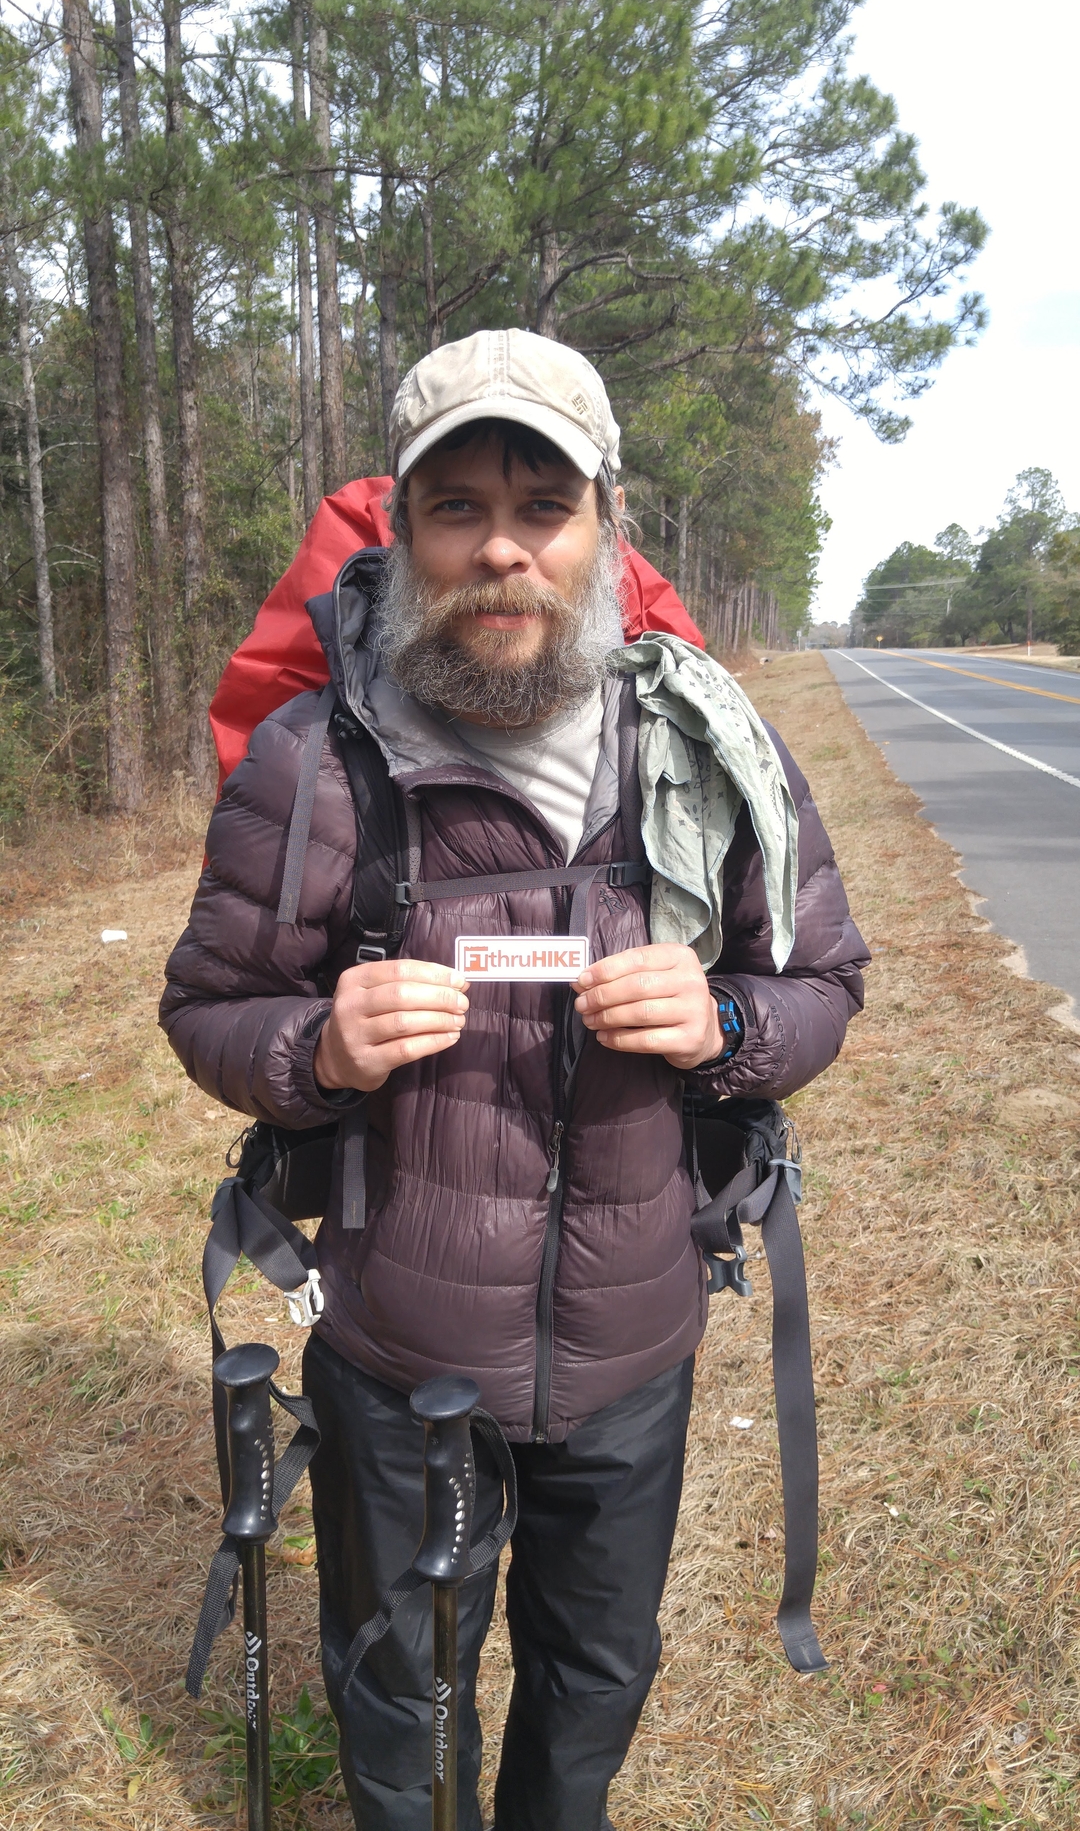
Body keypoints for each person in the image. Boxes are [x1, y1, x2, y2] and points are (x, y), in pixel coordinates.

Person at [161, 327, 868, 1831]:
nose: (503, 551)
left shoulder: (704, 744)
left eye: (542, 507)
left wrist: (727, 1027)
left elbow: (821, 982)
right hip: (399, 1348)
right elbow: (210, 1008)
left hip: (633, 1342)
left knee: (597, 1670)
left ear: (604, 524)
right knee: (396, 1676)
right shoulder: (314, 766)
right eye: (458, 509)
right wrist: (316, 1048)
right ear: (402, 532)